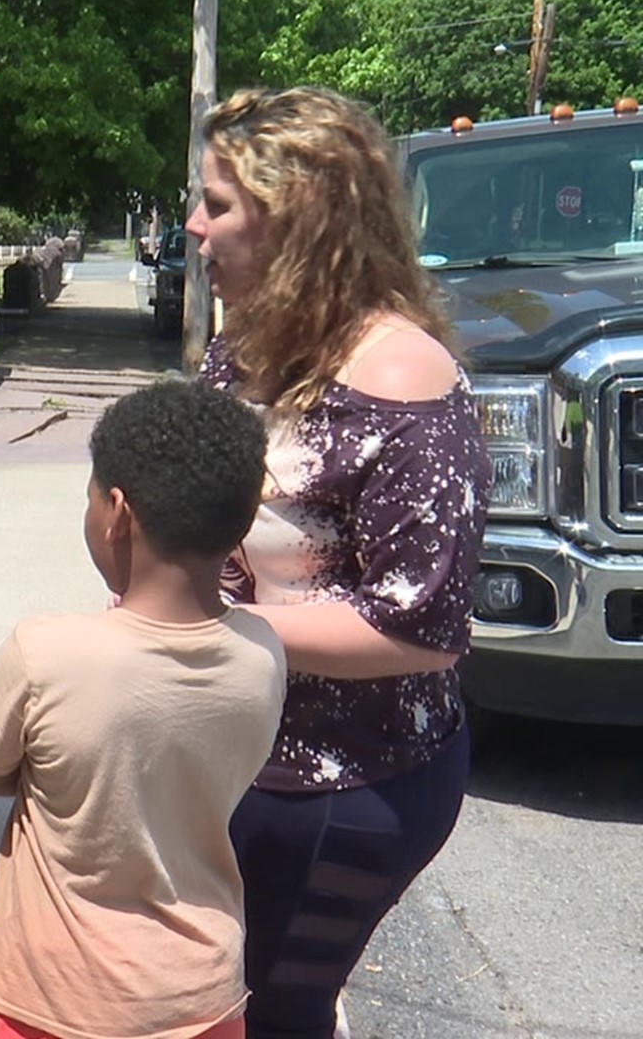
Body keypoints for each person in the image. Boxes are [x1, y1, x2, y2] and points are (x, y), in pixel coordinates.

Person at [188, 87, 491, 1039]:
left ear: (299, 220)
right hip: (237, 751)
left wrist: (209, 627)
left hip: (345, 786)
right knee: (206, 999)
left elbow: (420, 631)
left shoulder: (405, 381)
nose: (193, 226)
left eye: (218, 204)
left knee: (274, 1008)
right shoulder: (243, 352)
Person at [0, 380, 286, 1039]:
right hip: (202, 1002)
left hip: (53, 1003)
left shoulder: (46, 650)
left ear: (116, 512)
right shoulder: (263, 654)